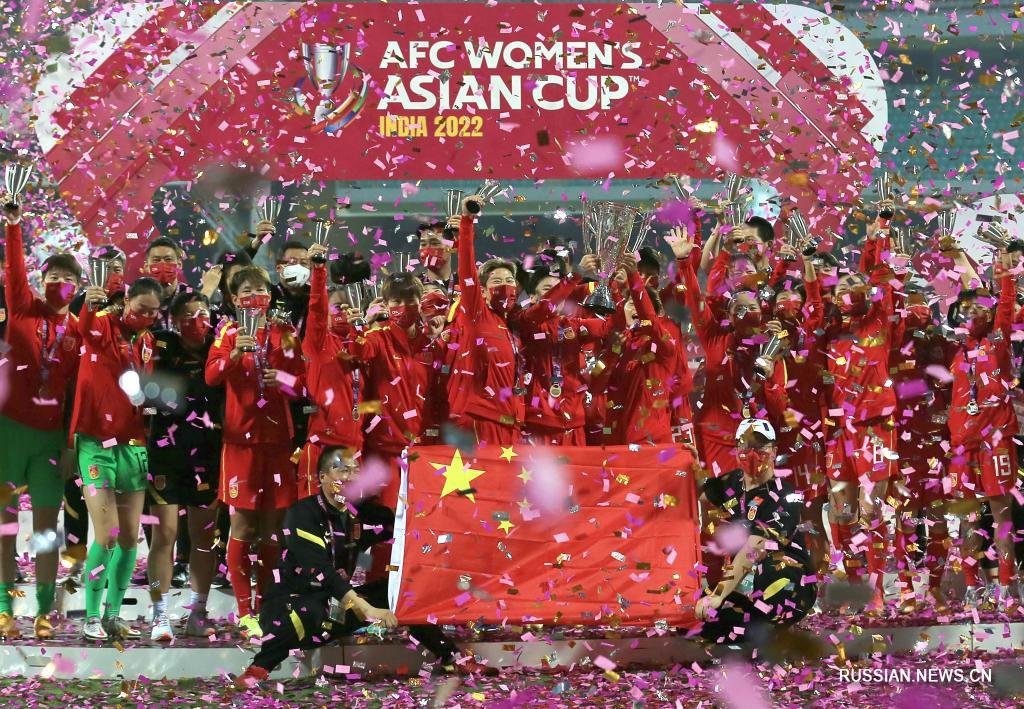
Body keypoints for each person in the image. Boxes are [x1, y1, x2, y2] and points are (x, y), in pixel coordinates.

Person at [234, 447, 492, 689]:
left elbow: (411, 527)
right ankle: (259, 668)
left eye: (355, 471)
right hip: (291, 607)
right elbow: (322, 572)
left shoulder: (361, 513)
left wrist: (455, 520)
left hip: (334, 607)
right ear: (322, 477)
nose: (350, 477)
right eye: (342, 470)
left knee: (401, 591)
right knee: (306, 609)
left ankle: (452, 659)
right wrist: (368, 609)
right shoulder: (302, 514)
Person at [206, 265, 305, 640]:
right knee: (243, 526)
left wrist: (281, 378)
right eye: (245, 290)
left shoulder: (285, 332)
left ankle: (265, 607)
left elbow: (302, 384)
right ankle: (245, 612)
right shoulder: (228, 333)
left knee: (272, 529)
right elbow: (211, 376)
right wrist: (234, 355)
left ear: (270, 295)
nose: (253, 296)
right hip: (240, 444)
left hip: (277, 443)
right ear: (234, 299)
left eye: (260, 289)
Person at [0, 205, 82, 639]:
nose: (58, 282)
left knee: (48, 530)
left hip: (51, 439)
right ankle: (3, 607)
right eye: (52, 276)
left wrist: (70, 444)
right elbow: (14, 270)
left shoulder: (79, 332)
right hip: (9, 433)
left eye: (67, 278)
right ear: (41, 280)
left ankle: (44, 611)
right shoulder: (22, 310)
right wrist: (14, 225)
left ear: (77, 288)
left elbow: (79, 395)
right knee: (6, 525)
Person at [72, 277, 162, 641]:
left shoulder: (147, 341)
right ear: (126, 301)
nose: (148, 317)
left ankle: (112, 615)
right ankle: (91, 616)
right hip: (95, 442)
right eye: (141, 309)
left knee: (128, 538)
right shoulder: (102, 324)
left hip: (133, 443)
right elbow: (85, 329)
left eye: (154, 312)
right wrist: (89, 304)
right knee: (107, 534)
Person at [824, 219, 898, 612]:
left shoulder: (878, 320)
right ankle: (854, 589)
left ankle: (876, 590)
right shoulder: (830, 333)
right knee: (842, 512)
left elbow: (881, 277)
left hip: (875, 429)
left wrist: (875, 238)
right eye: (839, 287)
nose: (845, 290)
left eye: (853, 283)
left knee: (871, 511)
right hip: (840, 432)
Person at [694, 418, 817, 645]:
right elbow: (700, 491)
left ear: (774, 451)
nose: (752, 454)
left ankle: (775, 625)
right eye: (746, 446)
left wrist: (719, 594)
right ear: (737, 450)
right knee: (704, 613)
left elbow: (754, 548)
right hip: (748, 583)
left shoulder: (785, 495)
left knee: (770, 569)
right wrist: (689, 464)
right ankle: (760, 631)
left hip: (790, 583)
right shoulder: (733, 482)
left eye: (760, 447)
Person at [146, 291, 223, 640]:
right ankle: (159, 616)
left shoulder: (220, 348)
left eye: (202, 313)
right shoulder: (160, 345)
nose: (197, 321)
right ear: (174, 322)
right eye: (188, 316)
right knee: (164, 536)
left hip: (208, 455)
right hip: (166, 455)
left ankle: (198, 611)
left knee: (203, 538)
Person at [948, 248, 1022, 608]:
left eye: (978, 307)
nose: (971, 313)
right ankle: (972, 585)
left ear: (990, 313)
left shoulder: (998, 341)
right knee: (967, 518)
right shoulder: (956, 352)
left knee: (1001, 516)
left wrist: (1006, 276)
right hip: (962, 446)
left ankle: (1008, 585)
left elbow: (1006, 308)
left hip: (996, 442)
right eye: (965, 309)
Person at [446, 195, 525, 446]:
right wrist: (467, 222)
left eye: (510, 281)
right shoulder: (476, 313)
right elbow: (467, 269)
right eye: (497, 282)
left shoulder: (510, 326)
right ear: (482, 290)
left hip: (509, 422)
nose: (505, 286)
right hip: (480, 419)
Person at [299, 242, 363, 499]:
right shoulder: (318, 344)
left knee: (351, 519)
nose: (343, 312)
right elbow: (316, 307)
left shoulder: (365, 345)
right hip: (323, 451)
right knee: (315, 518)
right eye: (337, 307)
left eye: (348, 307)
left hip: (354, 452)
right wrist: (318, 270)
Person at [144, 236, 187, 328]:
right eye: (156, 260)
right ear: (146, 267)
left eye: (168, 259)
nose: (162, 264)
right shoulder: (138, 297)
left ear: (179, 265)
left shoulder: (189, 295)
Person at [418, 221, 453, 291]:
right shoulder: (414, 286)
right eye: (423, 244)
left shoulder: (464, 284)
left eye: (434, 243)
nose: (427, 249)